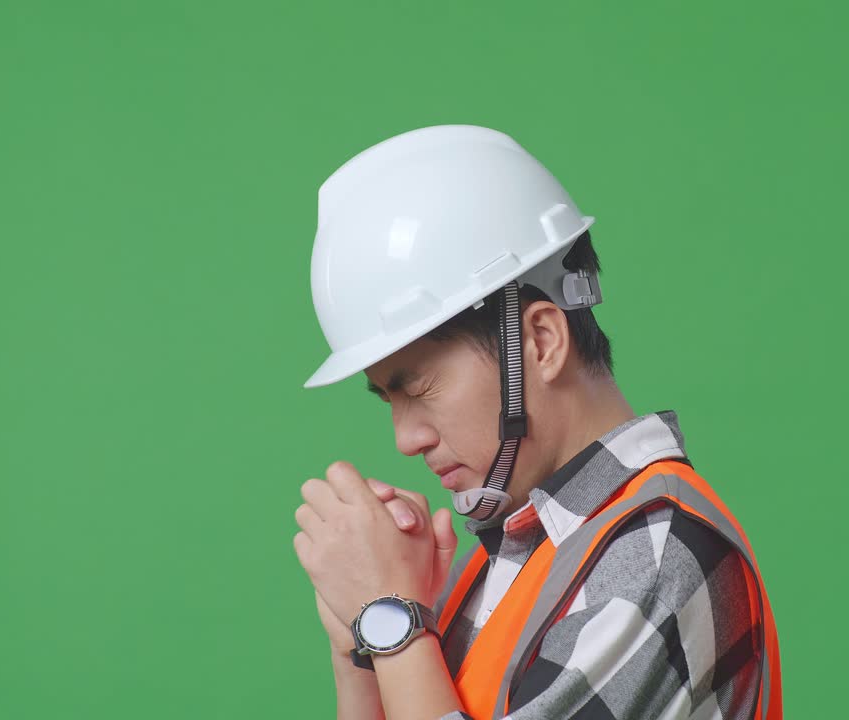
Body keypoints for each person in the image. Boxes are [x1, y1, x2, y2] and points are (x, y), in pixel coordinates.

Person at [292, 125, 782, 720]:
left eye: (418, 387)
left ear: (541, 341)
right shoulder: (512, 558)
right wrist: (359, 652)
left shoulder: (655, 553)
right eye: (386, 400)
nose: (405, 439)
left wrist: (388, 618)